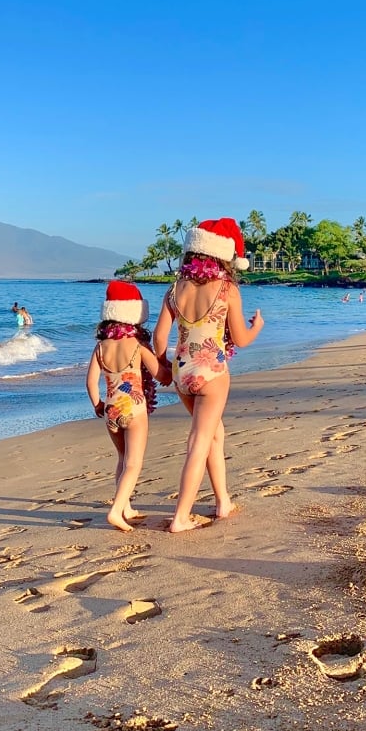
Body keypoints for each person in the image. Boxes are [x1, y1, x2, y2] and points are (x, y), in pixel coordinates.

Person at [154, 218, 264, 533]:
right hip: (212, 372)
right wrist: (257, 326)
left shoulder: (175, 289)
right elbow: (240, 339)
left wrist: (162, 365)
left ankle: (222, 502)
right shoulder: (227, 289)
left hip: (182, 372)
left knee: (215, 433)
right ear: (222, 256)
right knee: (199, 440)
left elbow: (160, 338)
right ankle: (181, 516)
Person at [86, 281, 171, 531]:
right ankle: (115, 511)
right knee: (134, 463)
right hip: (134, 410)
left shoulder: (100, 347)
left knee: (123, 458)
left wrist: (97, 404)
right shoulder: (137, 345)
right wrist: (172, 367)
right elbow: (161, 376)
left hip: (111, 409)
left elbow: (91, 382)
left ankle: (126, 507)